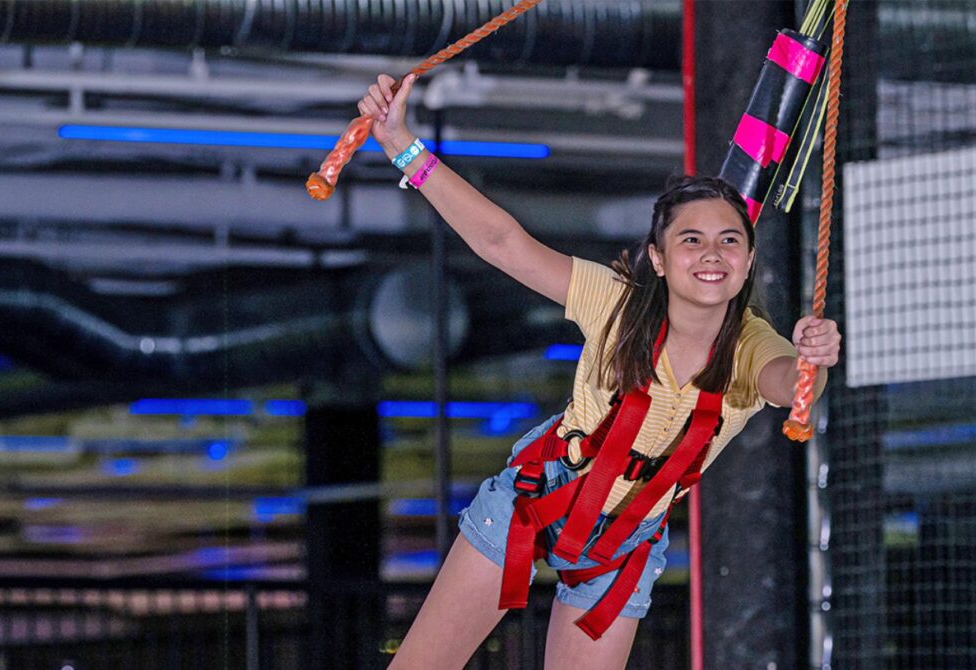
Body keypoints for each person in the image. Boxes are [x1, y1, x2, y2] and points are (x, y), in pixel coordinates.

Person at [358, 73, 841, 670]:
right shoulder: (615, 301)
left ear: (747, 262)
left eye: (729, 241)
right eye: (691, 240)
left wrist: (812, 360)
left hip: (623, 547)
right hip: (539, 497)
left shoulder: (749, 345)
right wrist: (401, 144)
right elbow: (502, 242)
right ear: (658, 259)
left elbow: (790, 384)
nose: (712, 254)